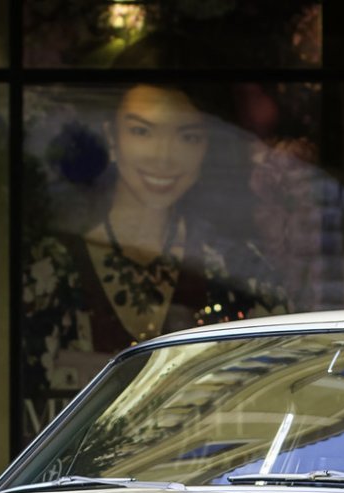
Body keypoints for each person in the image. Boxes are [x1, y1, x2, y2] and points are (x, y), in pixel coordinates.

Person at [21, 77, 289, 436]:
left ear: (205, 148)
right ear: (111, 139)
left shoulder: (239, 270)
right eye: (142, 132)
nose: (164, 156)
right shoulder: (51, 270)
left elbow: (281, 392)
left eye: (188, 137)